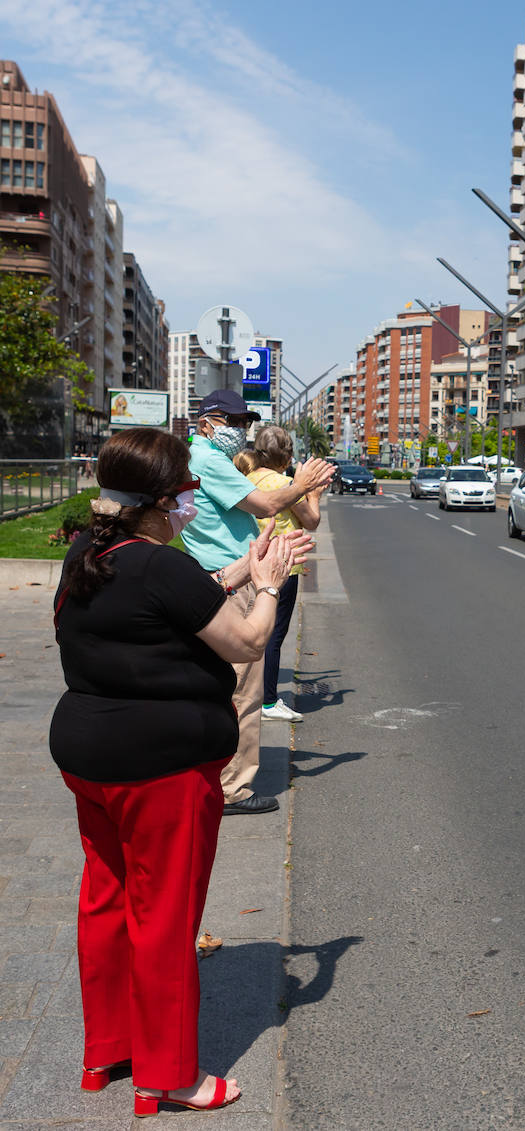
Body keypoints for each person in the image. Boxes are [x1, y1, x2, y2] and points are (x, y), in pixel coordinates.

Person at [50, 427, 306, 1117]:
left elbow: (173, 602)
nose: (193, 502)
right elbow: (248, 641)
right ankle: (171, 1075)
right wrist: (271, 586)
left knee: (104, 900)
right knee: (164, 914)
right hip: (160, 767)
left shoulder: (91, 551)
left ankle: (107, 1051)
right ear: (160, 501)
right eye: (187, 492)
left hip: (88, 757)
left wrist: (241, 569)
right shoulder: (162, 565)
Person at [181, 389, 335, 815]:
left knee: (223, 682)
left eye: (244, 423)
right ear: (207, 421)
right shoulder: (209, 460)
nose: (239, 431)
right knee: (243, 689)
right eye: (232, 422)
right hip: (235, 578)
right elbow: (266, 503)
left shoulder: (199, 458)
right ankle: (234, 788)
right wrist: (302, 485)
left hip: (217, 572)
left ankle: (214, 772)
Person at [245, 426, 324, 723]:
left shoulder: (247, 480)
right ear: (287, 456)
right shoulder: (288, 484)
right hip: (281, 568)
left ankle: (248, 694)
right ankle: (267, 700)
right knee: (273, 635)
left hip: (248, 564)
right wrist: (314, 493)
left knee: (249, 631)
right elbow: (312, 521)